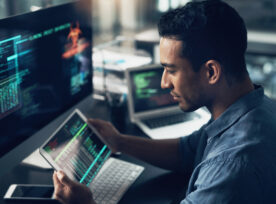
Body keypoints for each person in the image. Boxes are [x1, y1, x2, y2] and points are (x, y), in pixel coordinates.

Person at [53, 0, 276, 203]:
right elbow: (185, 152)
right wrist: (119, 141)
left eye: (172, 70)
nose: (164, 83)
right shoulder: (254, 109)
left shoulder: (231, 167)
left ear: (211, 72)